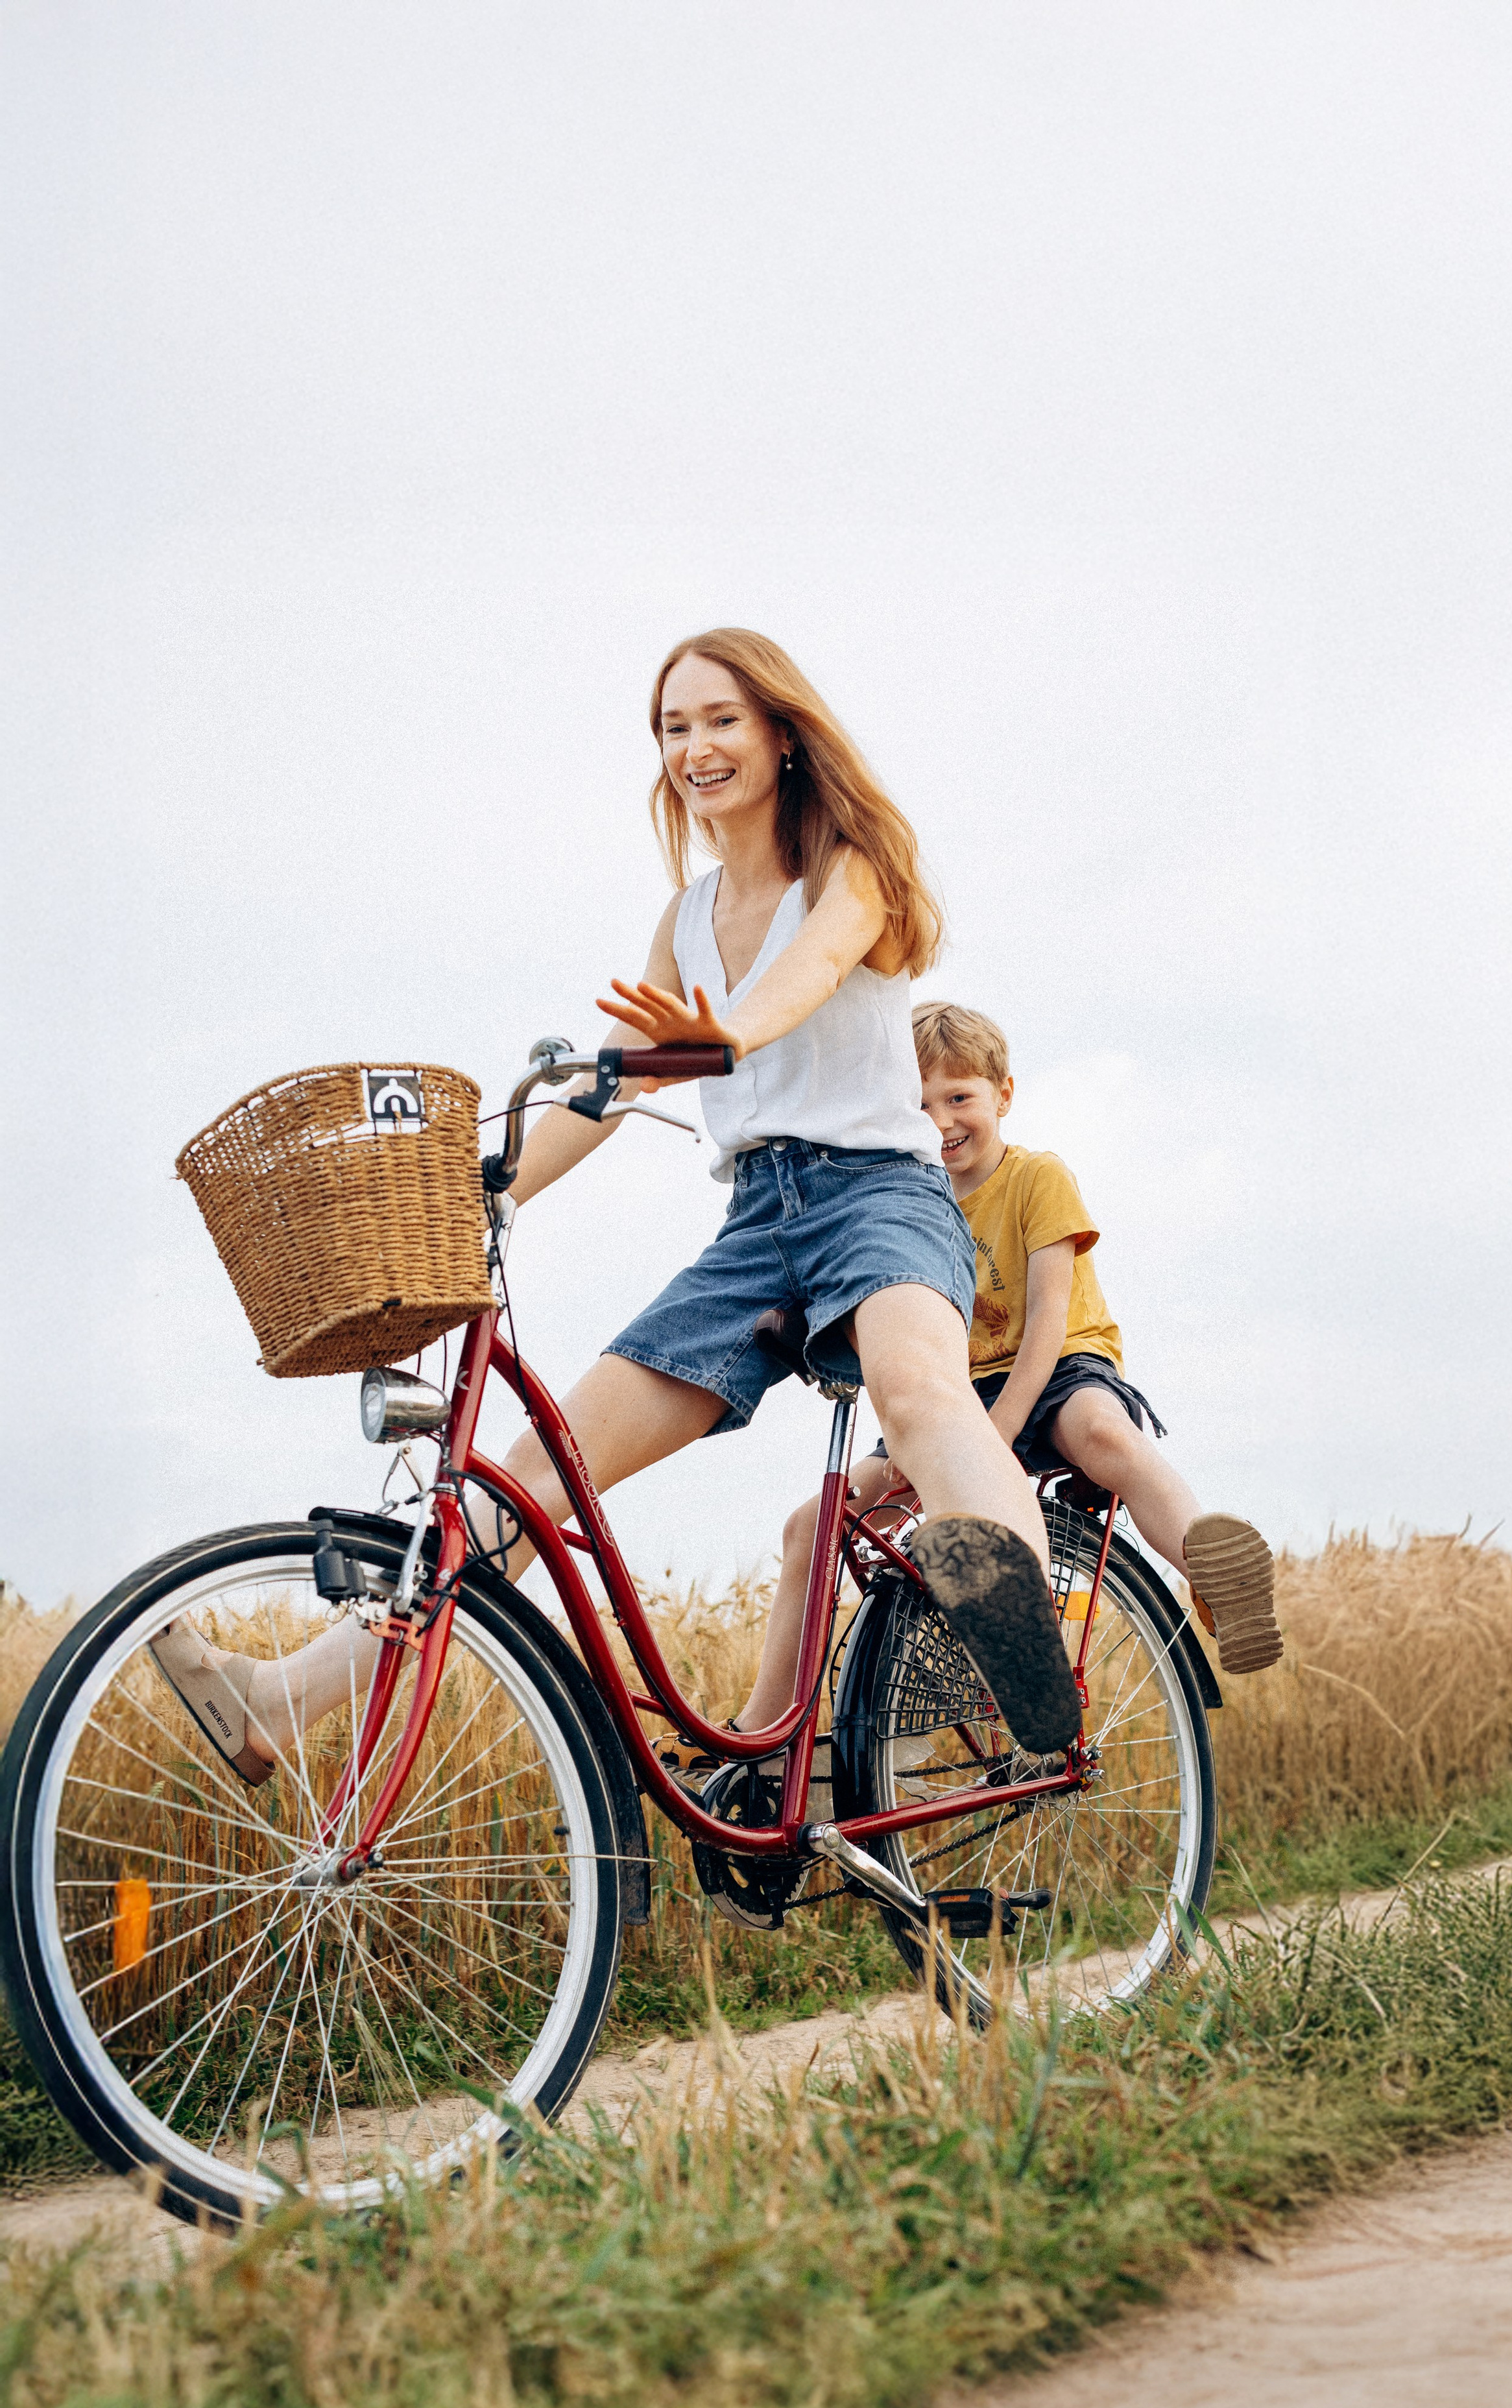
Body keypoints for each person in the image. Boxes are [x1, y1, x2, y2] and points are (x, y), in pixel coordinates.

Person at [146, 631, 1083, 1786]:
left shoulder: (852, 869)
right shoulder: (688, 921)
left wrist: (724, 1029)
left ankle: (1023, 1628)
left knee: (917, 1384)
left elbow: (809, 974)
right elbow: (616, 1080)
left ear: (783, 733)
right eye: (674, 728)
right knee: (535, 1473)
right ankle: (279, 1701)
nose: (696, 747)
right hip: (756, 1226)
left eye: (721, 721)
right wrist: (491, 1191)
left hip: (878, 1199)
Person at [744, 999, 1283, 1722]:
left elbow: (1046, 1329)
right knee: (812, 1527)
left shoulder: (1036, 1179)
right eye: (918, 1103)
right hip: (951, 1397)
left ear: (1003, 1094)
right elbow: (892, 1351)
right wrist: (913, 1444)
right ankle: (775, 1732)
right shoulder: (901, 1211)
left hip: (1054, 1370)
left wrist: (993, 1437)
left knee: (1102, 1434)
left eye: (959, 1097)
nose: (940, 1122)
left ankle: (1208, 1567)